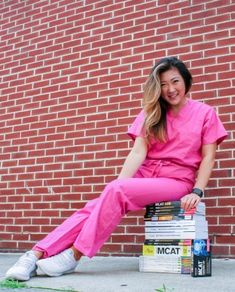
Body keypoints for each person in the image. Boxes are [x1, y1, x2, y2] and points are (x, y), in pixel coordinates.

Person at [5, 56, 227, 281]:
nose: (170, 89)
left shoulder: (205, 113)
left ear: (186, 81)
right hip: (146, 173)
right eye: (162, 85)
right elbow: (138, 152)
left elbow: (209, 157)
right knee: (94, 206)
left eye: (175, 81)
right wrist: (116, 187)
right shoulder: (152, 113)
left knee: (114, 192)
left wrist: (197, 191)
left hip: (177, 180)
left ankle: (74, 254)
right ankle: (34, 255)